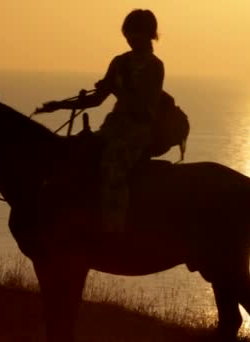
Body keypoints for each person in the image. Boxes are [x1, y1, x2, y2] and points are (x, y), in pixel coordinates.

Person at [37, 9, 164, 232]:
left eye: (135, 34)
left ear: (149, 35)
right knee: (78, 153)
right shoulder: (119, 62)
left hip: (139, 131)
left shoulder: (155, 66)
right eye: (128, 33)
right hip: (113, 126)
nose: (130, 39)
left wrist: (116, 89)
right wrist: (60, 105)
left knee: (113, 166)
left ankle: (114, 229)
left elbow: (144, 106)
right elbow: (97, 100)